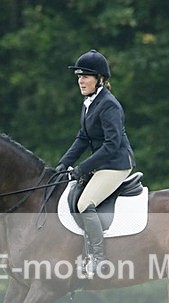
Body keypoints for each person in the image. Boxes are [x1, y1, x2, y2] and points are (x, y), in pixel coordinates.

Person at [56, 49, 136, 278]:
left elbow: (112, 145)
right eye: (79, 76)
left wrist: (82, 168)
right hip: (104, 162)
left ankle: (98, 259)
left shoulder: (109, 105)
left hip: (117, 163)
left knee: (84, 204)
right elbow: (83, 138)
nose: (80, 80)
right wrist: (63, 164)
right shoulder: (89, 102)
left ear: (100, 79)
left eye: (86, 76)